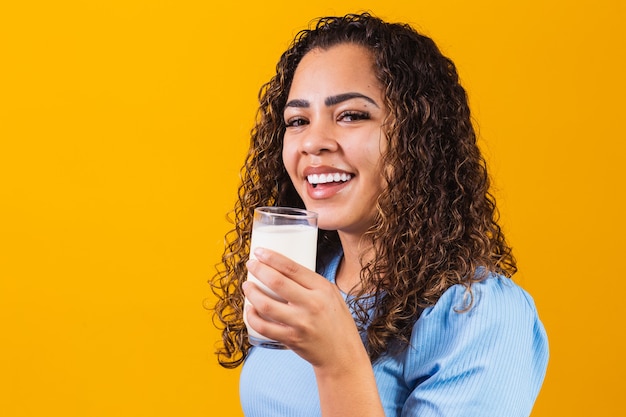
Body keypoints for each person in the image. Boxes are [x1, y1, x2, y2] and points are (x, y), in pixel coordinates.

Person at [211, 12, 549, 417]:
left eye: (352, 115)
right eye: (298, 121)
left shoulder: (481, 316)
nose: (313, 142)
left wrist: (338, 361)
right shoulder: (307, 277)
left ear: (418, 137)